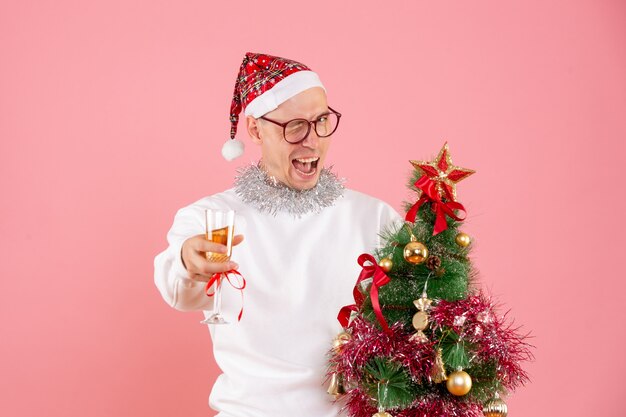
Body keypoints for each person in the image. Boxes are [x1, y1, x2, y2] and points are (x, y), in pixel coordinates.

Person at [154, 52, 402, 417]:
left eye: (321, 121)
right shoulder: (210, 218)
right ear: (255, 130)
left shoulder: (376, 218)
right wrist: (187, 263)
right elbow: (179, 293)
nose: (313, 140)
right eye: (295, 126)